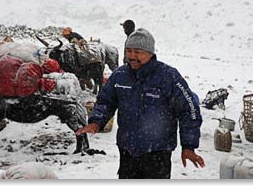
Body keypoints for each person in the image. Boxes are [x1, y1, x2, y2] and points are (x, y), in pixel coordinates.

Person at [76, 28, 205, 179]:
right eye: (128, 51)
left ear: (150, 53)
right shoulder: (120, 75)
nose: (132, 56)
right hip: (127, 150)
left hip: (157, 153)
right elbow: (106, 101)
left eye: (138, 52)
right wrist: (97, 121)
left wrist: (188, 146)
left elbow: (189, 110)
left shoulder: (168, 76)